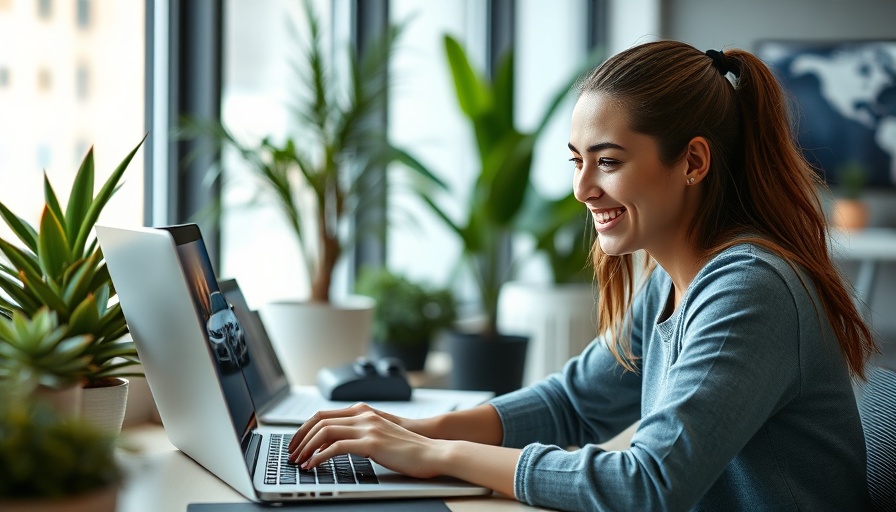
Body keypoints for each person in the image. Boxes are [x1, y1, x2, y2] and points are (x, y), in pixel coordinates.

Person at [287, 40, 878, 510]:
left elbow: (646, 483)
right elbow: (575, 401)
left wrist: (440, 454)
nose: (582, 188)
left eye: (609, 161)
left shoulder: (749, 290)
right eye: (577, 160)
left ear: (693, 161)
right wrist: (420, 430)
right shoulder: (672, 285)